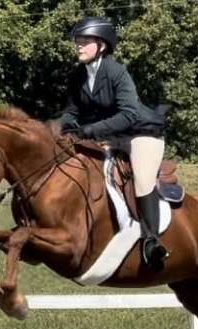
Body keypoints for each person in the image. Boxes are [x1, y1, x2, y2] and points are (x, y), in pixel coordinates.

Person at [60, 16, 169, 271]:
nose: (79, 45)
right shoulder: (78, 76)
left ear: (102, 46)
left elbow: (129, 114)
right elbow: (71, 112)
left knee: (142, 179)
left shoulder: (117, 72)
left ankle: (152, 241)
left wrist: (90, 130)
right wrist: (58, 128)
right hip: (111, 135)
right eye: (78, 41)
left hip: (142, 134)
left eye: (85, 41)